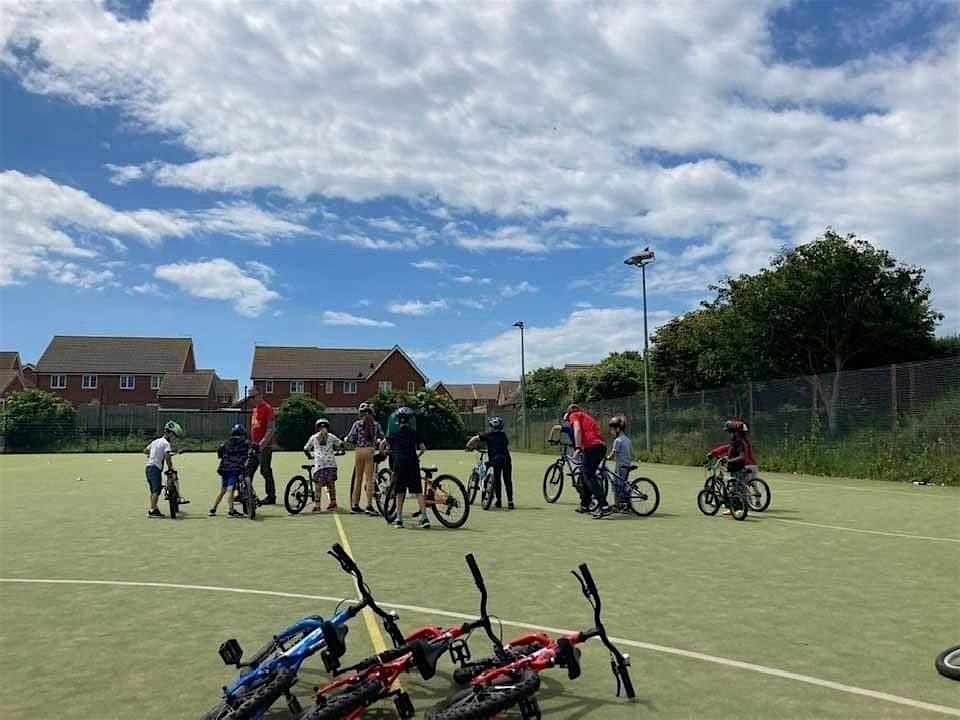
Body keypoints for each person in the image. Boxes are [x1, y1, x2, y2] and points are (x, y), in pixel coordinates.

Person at [381, 406, 428, 528]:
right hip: (413, 464)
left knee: (399, 492)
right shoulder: (414, 433)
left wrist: (384, 452)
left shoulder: (395, 435)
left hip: (399, 464)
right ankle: (424, 518)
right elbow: (423, 448)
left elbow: (383, 443)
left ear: (398, 421)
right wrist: (417, 456)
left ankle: (399, 519)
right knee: (418, 492)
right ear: (409, 421)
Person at [566, 404, 613, 518]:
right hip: (600, 447)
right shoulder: (586, 416)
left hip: (592, 447)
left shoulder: (574, 415)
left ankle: (604, 506)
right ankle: (585, 505)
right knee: (585, 475)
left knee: (589, 476)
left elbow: (577, 429)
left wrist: (577, 447)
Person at [345, 402, 384, 515]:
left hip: (359, 451)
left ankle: (355, 505)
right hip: (370, 451)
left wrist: (346, 439)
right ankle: (369, 505)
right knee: (369, 479)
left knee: (358, 478)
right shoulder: (376, 424)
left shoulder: (357, 424)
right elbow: (382, 437)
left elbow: (350, 438)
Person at [466, 416, 514, 509]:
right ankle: (510, 502)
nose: (489, 427)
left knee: (497, 480)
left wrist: (468, 446)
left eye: (490, 426)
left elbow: (475, 438)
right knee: (508, 481)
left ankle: (499, 500)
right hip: (506, 460)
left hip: (496, 460)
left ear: (493, 427)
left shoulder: (488, 435)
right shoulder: (503, 436)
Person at [143, 420, 181, 518]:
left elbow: (145, 451)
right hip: (155, 469)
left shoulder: (156, 441)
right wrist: (170, 467)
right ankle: (152, 511)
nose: (174, 438)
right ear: (170, 433)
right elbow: (167, 457)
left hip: (148, 468)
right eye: (175, 435)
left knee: (154, 490)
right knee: (156, 490)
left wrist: (154, 454)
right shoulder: (166, 443)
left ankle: (155, 508)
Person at [304, 418, 343, 512]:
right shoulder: (331, 436)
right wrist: (340, 451)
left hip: (320, 464)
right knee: (331, 484)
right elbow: (341, 444)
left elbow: (306, 449)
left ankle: (317, 505)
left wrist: (309, 456)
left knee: (318, 485)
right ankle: (333, 503)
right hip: (331, 463)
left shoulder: (314, 437)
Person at [211, 424, 250, 517]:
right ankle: (231, 511)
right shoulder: (245, 443)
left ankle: (213, 509)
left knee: (223, 490)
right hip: (235, 468)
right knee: (230, 489)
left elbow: (219, 453)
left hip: (224, 468)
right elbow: (253, 447)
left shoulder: (226, 443)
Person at [248, 386, 277, 504]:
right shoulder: (255, 410)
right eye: (249, 397)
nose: (251, 399)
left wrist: (261, 445)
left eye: (253, 396)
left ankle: (271, 496)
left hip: (264, 448)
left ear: (260, 395)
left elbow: (271, 429)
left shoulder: (268, 409)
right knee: (248, 470)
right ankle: (246, 494)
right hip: (254, 446)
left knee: (265, 470)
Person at [606, 415, 632, 501]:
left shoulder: (618, 440)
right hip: (627, 464)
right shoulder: (627, 440)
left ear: (617, 429)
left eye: (612, 430)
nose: (611, 432)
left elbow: (614, 453)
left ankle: (617, 504)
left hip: (620, 466)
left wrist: (608, 457)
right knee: (623, 483)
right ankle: (626, 502)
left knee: (616, 485)